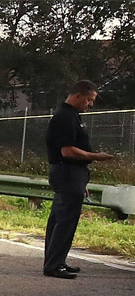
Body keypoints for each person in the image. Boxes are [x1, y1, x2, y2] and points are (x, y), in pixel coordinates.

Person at [43, 80, 114, 279]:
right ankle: (53, 265)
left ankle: (56, 260)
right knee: (65, 220)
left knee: (59, 219)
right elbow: (67, 151)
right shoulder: (65, 117)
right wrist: (96, 156)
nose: (90, 104)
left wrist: (81, 182)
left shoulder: (73, 116)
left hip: (72, 175)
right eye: (89, 100)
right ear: (78, 95)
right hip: (67, 172)